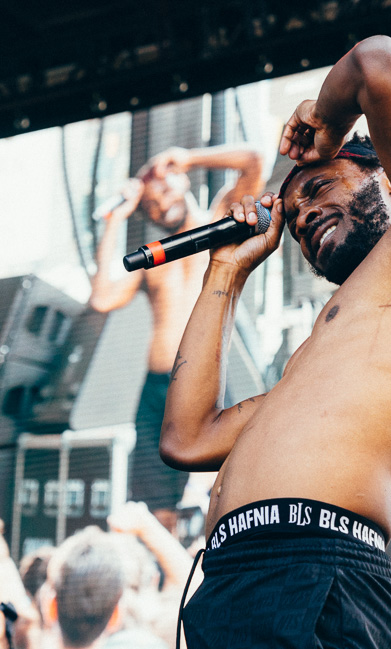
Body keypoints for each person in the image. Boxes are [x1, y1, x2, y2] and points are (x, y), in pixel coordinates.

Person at [161, 35, 391, 649]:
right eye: (291, 209)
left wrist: (327, 123)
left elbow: (377, 62)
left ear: (386, 172)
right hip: (232, 583)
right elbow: (188, 438)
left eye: (319, 187)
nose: (299, 214)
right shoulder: (322, 363)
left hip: (319, 574)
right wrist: (226, 272)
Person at [89, 144, 265, 529]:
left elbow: (254, 159)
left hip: (207, 381)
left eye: (165, 190)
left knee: (222, 494)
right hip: (156, 391)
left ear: (183, 179)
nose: (160, 205)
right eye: (150, 205)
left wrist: (188, 156)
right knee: (158, 508)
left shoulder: (221, 221)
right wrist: (116, 220)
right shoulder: (155, 255)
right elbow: (102, 297)